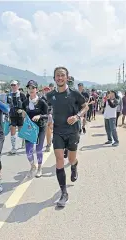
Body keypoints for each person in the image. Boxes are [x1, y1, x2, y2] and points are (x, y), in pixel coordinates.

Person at [46, 66, 88, 207]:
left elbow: (85, 107)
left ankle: (75, 164)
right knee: (59, 159)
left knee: (70, 159)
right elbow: (49, 110)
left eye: (62, 75)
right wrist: (49, 118)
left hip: (72, 131)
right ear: (54, 78)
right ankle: (64, 193)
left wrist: (77, 116)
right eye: (57, 75)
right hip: (58, 131)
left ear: (67, 77)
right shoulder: (50, 95)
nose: (60, 77)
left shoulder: (74, 94)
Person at [19, 80, 48, 178]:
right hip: (29, 129)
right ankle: (33, 166)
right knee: (28, 151)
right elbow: (23, 114)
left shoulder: (42, 102)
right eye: (29, 88)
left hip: (40, 128)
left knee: (39, 150)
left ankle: (40, 168)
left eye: (33, 88)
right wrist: (22, 114)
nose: (31, 90)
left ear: (36, 89)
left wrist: (39, 116)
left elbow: (47, 115)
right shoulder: (25, 102)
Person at [7, 80, 27, 154]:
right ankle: (13, 147)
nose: (13, 86)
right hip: (12, 115)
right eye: (12, 85)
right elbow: (7, 105)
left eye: (14, 85)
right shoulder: (9, 95)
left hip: (20, 115)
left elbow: (26, 105)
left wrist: (22, 110)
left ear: (18, 86)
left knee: (21, 130)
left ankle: (23, 142)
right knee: (12, 130)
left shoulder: (21, 95)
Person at [42, 86, 53, 152]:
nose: (46, 91)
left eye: (47, 90)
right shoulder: (41, 99)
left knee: (53, 130)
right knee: (47, 130)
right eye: (45, 90)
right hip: (46, 117)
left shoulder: (53, 98)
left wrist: (51, 113)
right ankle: (48, 144)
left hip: (53, 116)